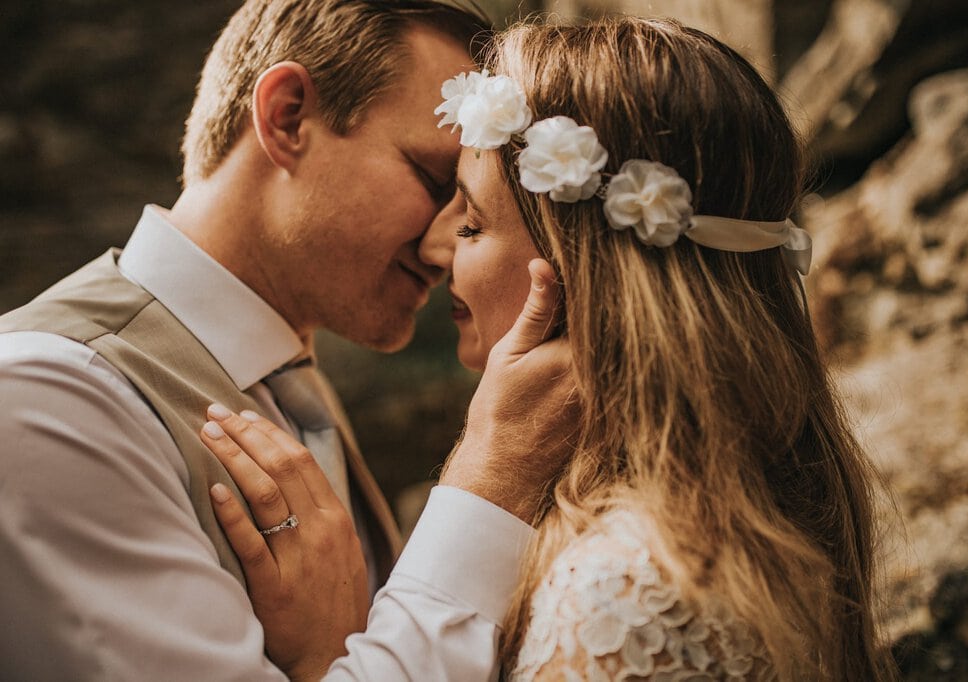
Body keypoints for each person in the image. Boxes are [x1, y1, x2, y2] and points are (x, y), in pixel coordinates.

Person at [204, 15, 899, 681]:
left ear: (588, 277)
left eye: (472, 224)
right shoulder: (729, 507)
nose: (434, 244)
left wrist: (328, 662)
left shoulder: (620, 592)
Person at [0, 2, 577, 680]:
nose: (445, 242)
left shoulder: (282, 376)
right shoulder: (43, 400)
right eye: (433, 180)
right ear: (287, 116)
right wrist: (492, 478)